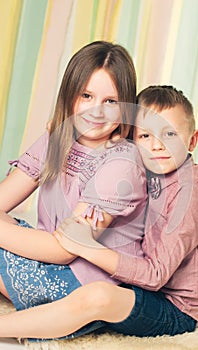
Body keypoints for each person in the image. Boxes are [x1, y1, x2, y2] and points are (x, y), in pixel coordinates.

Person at [0, 85, 198, 340]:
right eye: (145, 136)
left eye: (169, 134)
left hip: (169, 306)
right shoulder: (144, 166)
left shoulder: (190, 195)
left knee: (98, 295)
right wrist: (66, 130)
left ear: (192, 140)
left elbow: (155, 276)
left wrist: (86, 247)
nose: (157, 145)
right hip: (135, 284)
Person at [0, 41, 147, 338]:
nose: (96, 111)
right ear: (70, 96)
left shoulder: (122, 162)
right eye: (86, 96)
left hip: (80, 281)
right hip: (45, 253)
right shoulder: (59, 138)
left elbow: (65, 249)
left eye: (110, 101)